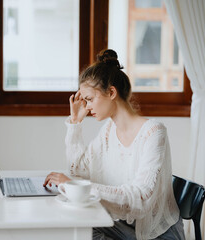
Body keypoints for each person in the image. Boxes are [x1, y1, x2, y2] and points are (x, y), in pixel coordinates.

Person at [43, 49, 185, 240]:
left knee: (81, 232)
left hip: (155, 234)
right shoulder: (109, 131)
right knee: (74, 227)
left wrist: (73, 185)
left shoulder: (154, 132)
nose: (87, 107)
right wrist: (75, 123)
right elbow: (79, 173)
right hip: (122, 226)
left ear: (111, 92)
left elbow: (140, 199)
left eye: (90, 99)